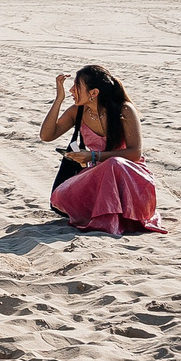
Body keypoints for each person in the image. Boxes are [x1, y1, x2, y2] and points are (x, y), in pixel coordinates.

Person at [42, 66, 163, 235]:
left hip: (130, 177)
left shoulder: (124, 110)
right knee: (59, 195)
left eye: (77, 86)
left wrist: (94, 155)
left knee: (113, 163)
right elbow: (46, 135)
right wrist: (59, 99)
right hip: (97, 175)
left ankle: (112, 220)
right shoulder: (77, 111)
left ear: (94, 93)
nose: (71, 90)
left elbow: (135, 153)